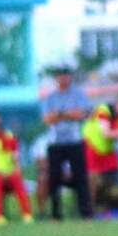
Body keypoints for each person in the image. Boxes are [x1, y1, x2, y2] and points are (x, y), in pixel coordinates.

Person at [39, 68, 93, 220]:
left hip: (74, 141)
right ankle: (55, 214)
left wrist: (60, 114)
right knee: (53, 178)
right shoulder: (50, 97)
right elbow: (46, 119)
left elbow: (82, 113)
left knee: (80, 177)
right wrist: (68, 113)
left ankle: (85, 212)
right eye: (60, 76)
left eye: (66, 75)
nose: (63, 78)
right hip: (56, 142)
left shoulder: (78, 95)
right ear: (57, 78)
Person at [83, 91, 118, 216]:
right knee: (92, 181)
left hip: (108, 152)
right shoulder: (103, 110)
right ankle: (91, 210)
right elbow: (106, 133)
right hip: (91, 148)